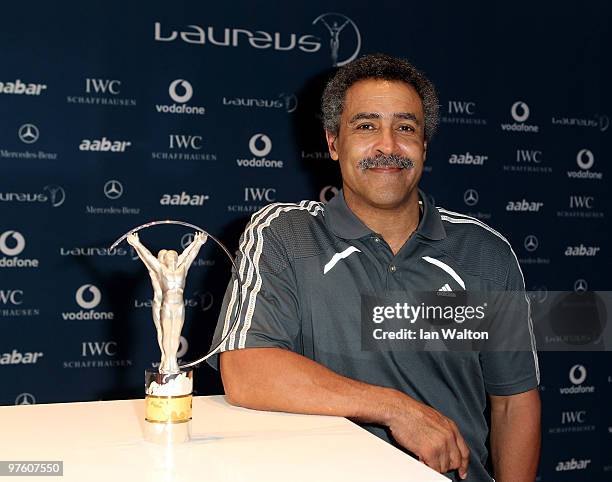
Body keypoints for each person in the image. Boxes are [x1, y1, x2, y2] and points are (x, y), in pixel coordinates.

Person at [207, 53, 541, 482]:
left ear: (424, 145)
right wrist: (395, 408)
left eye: (406, 128)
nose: (388, 146)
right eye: (366, 126)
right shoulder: (284, 235)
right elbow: (246, 369)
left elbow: (513, 400)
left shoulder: (485, 252)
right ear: (333, 142)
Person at [128, 231, 206, 373]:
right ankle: (167, 360)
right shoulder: (161, 270)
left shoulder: (183, 269)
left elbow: (190, 256)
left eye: (174, 257)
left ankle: (172, 360)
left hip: (179, 306)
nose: (172, 260)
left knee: (176, 334)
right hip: (167, 306)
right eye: (169, 258)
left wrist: (198, 242)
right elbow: (148, 258)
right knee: (166, 333)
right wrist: (136, 243)